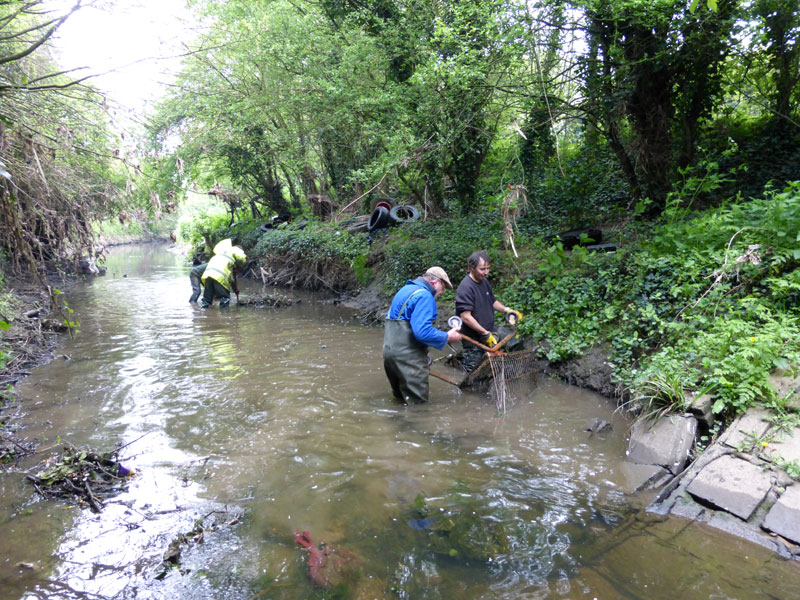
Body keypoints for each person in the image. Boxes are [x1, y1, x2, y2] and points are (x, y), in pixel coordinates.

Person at [383, 267, 462, 403]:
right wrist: (448, 337)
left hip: (389, 354)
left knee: (400, 400)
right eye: (443, 287)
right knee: (418, 407)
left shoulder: (405, 290)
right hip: (408, 358)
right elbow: (422, 332)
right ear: (435, 282)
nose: (442, 292)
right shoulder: (425, 296)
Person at [455, 250, 523, 372]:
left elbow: (492, 301)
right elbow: (465, 316)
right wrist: (484, 333)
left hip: (489, 330)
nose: (486, 272)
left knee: (514, 341)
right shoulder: (465, 288)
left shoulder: (484, 281)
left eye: (488, 268)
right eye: (482, 269)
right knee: (473, 372)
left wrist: (507, 310)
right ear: (472, 267)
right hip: (473, 339)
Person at [200, 239, 247, 308]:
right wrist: (242, 263)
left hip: (208, 275)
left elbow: (233, 279)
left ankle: (203, 314)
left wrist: (235, 290)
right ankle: (224, 317)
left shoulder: (222, 253)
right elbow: (242, 259)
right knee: (224, 299)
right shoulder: (235, 250)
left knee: (207, 300)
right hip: (220, 276)